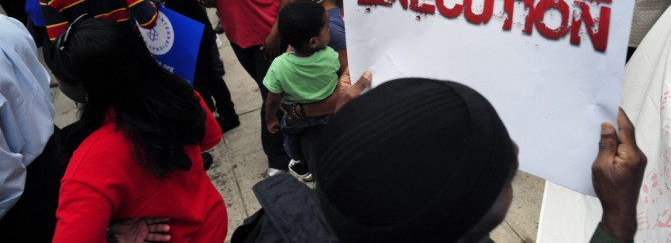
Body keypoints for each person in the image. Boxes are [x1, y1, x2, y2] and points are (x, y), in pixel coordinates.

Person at [232, 77, 646, 243]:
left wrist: (355, 139)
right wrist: (617, 222)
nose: (517, 151)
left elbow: (364, 198)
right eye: (504, 173)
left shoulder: (305, 218)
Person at [49, 17, 227, 242]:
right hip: (211, 223)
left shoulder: (86, 170)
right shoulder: (179, 95)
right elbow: (211, 137)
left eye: (60, 77)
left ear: (86, 90)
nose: (56, 81)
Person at [202, 0, 290, 175]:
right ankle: (293, 137)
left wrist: (276, 32)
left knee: (270, 98)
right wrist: (213, 2)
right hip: (239, 41)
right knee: (277, 95)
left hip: (269, 42)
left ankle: (278, 160)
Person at [131, 0, 239, 133]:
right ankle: (208, 111)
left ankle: (229, 115)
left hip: (193, 32)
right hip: (170, 37)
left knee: (209, 76)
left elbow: (184, 2)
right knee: (194, 81)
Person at [0, 15, 61, 242]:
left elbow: (6, 182)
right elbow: (40, 83)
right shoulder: (6, 24)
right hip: (52, 145)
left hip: (22, 200)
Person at [264, 1, 340, 181]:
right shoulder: (331, 56)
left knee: (289, 134)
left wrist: (271, 119)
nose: (330, 31)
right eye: (327, 28)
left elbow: (272, 100)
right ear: (313, 41)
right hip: (328, 114)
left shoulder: (279, 66)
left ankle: (298, 160)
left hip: (297, 117)